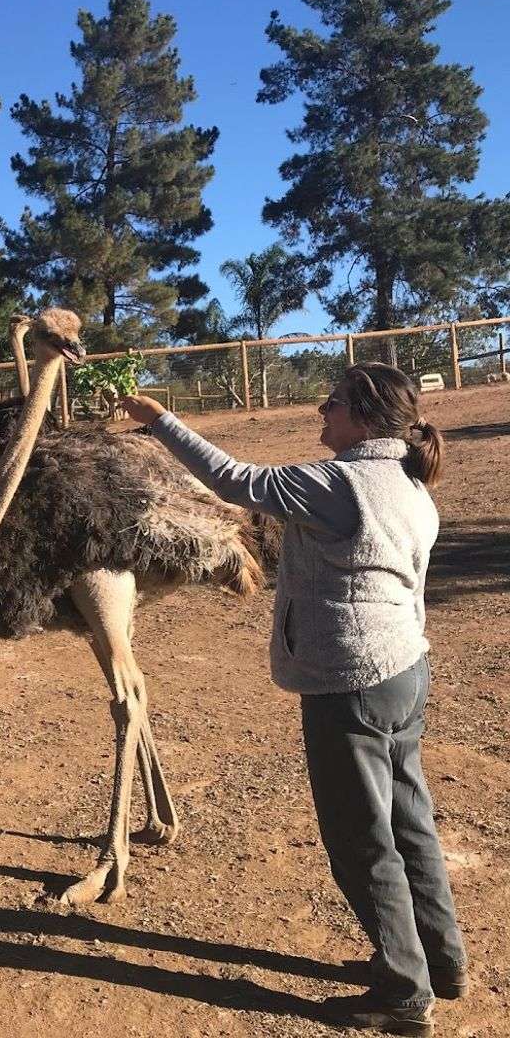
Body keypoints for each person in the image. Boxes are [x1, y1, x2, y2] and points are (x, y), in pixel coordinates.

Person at [122, 362, 467, 1037]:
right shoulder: (409, 481)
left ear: (363, 417)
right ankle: (440, 961)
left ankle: (403, 993)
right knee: (409, 823)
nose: (322, 415)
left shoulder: (340, 484)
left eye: (332, 405)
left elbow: (235, 481)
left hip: (352, 684)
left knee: (362, 841)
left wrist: (159, 422)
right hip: (405, 670)